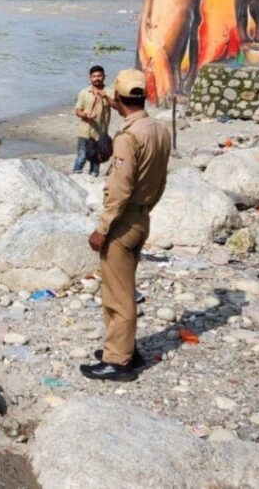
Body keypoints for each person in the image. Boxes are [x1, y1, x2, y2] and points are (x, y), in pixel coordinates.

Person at [80, 68, 171, 382]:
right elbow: (161, 180)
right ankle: (121, 347)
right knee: (123, 287)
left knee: (117, 294)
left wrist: (103, 228)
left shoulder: (128, 137)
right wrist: (145, 211)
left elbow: (120, 188)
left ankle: (119, 361)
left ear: (118, 99)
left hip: (123, 221)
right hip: (142, 216)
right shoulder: (159, 130)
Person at [72, 65, 112, 177]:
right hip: (85, 131)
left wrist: (106, 96)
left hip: (101, 133)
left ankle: (93, 179)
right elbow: (78, 111)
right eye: (94, 76)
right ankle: (75, 177)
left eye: (99, 76)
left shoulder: (109, 92)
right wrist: (86, 115)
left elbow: (117, 106)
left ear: (104, 76)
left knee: (96, 159)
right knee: (81, 157)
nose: (97, 78)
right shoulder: (84, 93)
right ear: (90, 78)